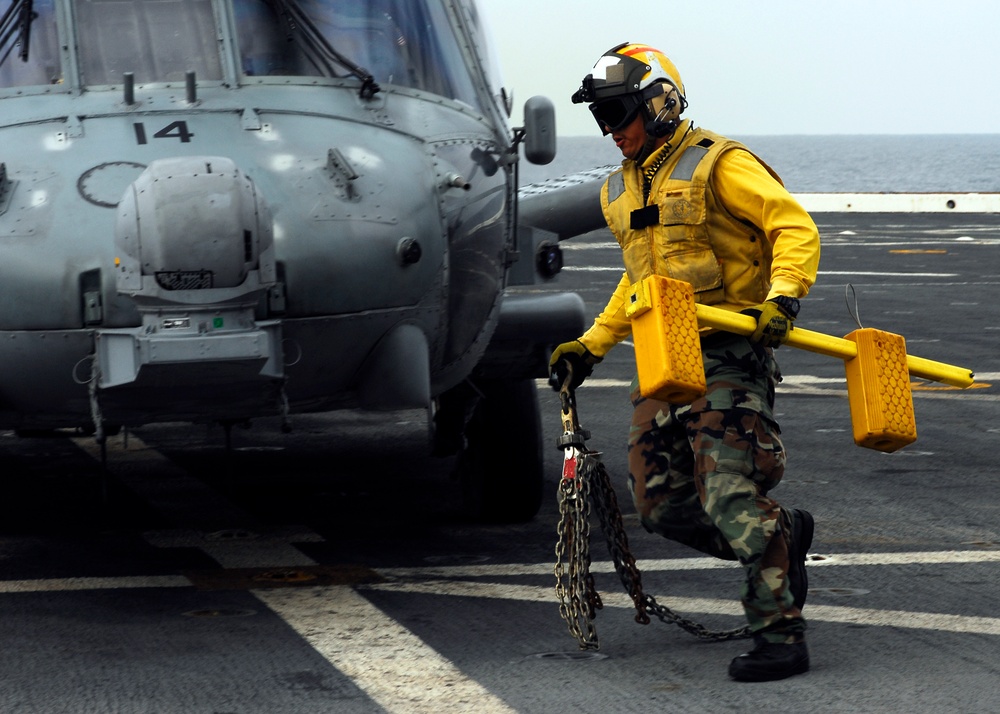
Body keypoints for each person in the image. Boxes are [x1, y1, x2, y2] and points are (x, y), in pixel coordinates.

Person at [550, 42, 821, 682]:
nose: (613, 131)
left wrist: (784, 298)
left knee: (727, 492)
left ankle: (780, 636)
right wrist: (591, 345)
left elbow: (794, 227)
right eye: (603, 119)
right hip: (664, 356)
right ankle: (786, 532)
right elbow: (638, 281)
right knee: (660, 504)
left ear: (660, 102)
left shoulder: (717, 164)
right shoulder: (620, 189)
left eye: (620, 114)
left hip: (729, 353)